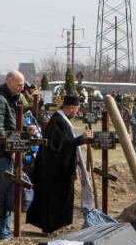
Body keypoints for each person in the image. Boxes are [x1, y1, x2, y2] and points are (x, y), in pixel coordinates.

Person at [26, 94, 92, 234]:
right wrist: (80, 139)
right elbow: (60, 146)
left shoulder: (62, 120)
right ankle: (52, 227)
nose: (76, 112)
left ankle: (57, 226)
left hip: (60, 169)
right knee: (53, 200)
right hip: (54, 171)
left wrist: (80, 140)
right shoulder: (58, 121)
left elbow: (65, 143)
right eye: (76, 109)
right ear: (71, 108)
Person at [0, 70, 26, 239]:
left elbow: (12, 124)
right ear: (9, 82)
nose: (22, 88)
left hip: (11, 152)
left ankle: (7, 229)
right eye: (19, 84)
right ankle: (3, 232)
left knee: (12, 191)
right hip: (2, 154)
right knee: (5, 192)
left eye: (23, 85)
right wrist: (10, 149)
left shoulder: (12, 99)